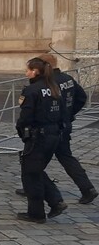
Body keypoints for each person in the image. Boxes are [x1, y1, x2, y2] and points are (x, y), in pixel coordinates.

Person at [15, 54, 97, 204]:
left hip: (49, 127)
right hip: (62, 125)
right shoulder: (67, 78)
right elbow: (81, 97)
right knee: (65, 157)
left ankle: (35, 189)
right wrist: (69, 114)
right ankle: (87, 188)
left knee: (33, 161)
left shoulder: (49, 82)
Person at [15, 57, 68, 223]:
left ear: (35, 71)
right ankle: (55, 201)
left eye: (28, 70)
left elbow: (25, 117)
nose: (26, 73)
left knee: (30, 174)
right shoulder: (54, 87)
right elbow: (63, 112)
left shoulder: (32, 91)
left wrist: (22, 133)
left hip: (38, 136)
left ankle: (38, 212)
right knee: (35, 170)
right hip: (54, 134)